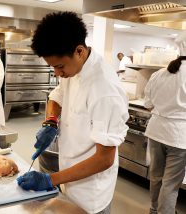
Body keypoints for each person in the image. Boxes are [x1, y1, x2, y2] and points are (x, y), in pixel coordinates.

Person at [16, 12, 129, 214]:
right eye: (53, 68)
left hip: (91, 194)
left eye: (59, 66)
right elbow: (56, 96)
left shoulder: (105, 91)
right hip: (68, 177)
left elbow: (105, 159)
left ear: (79, 51)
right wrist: (50, 121)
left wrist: (49, 179)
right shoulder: (73, 69)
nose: (58, 74)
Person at [144, 32, 186, 214]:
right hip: (179, 136)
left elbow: (148, 104)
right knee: (171, 183)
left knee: (156, 176)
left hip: (156, 132)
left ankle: (154, 210)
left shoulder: (160, 74)